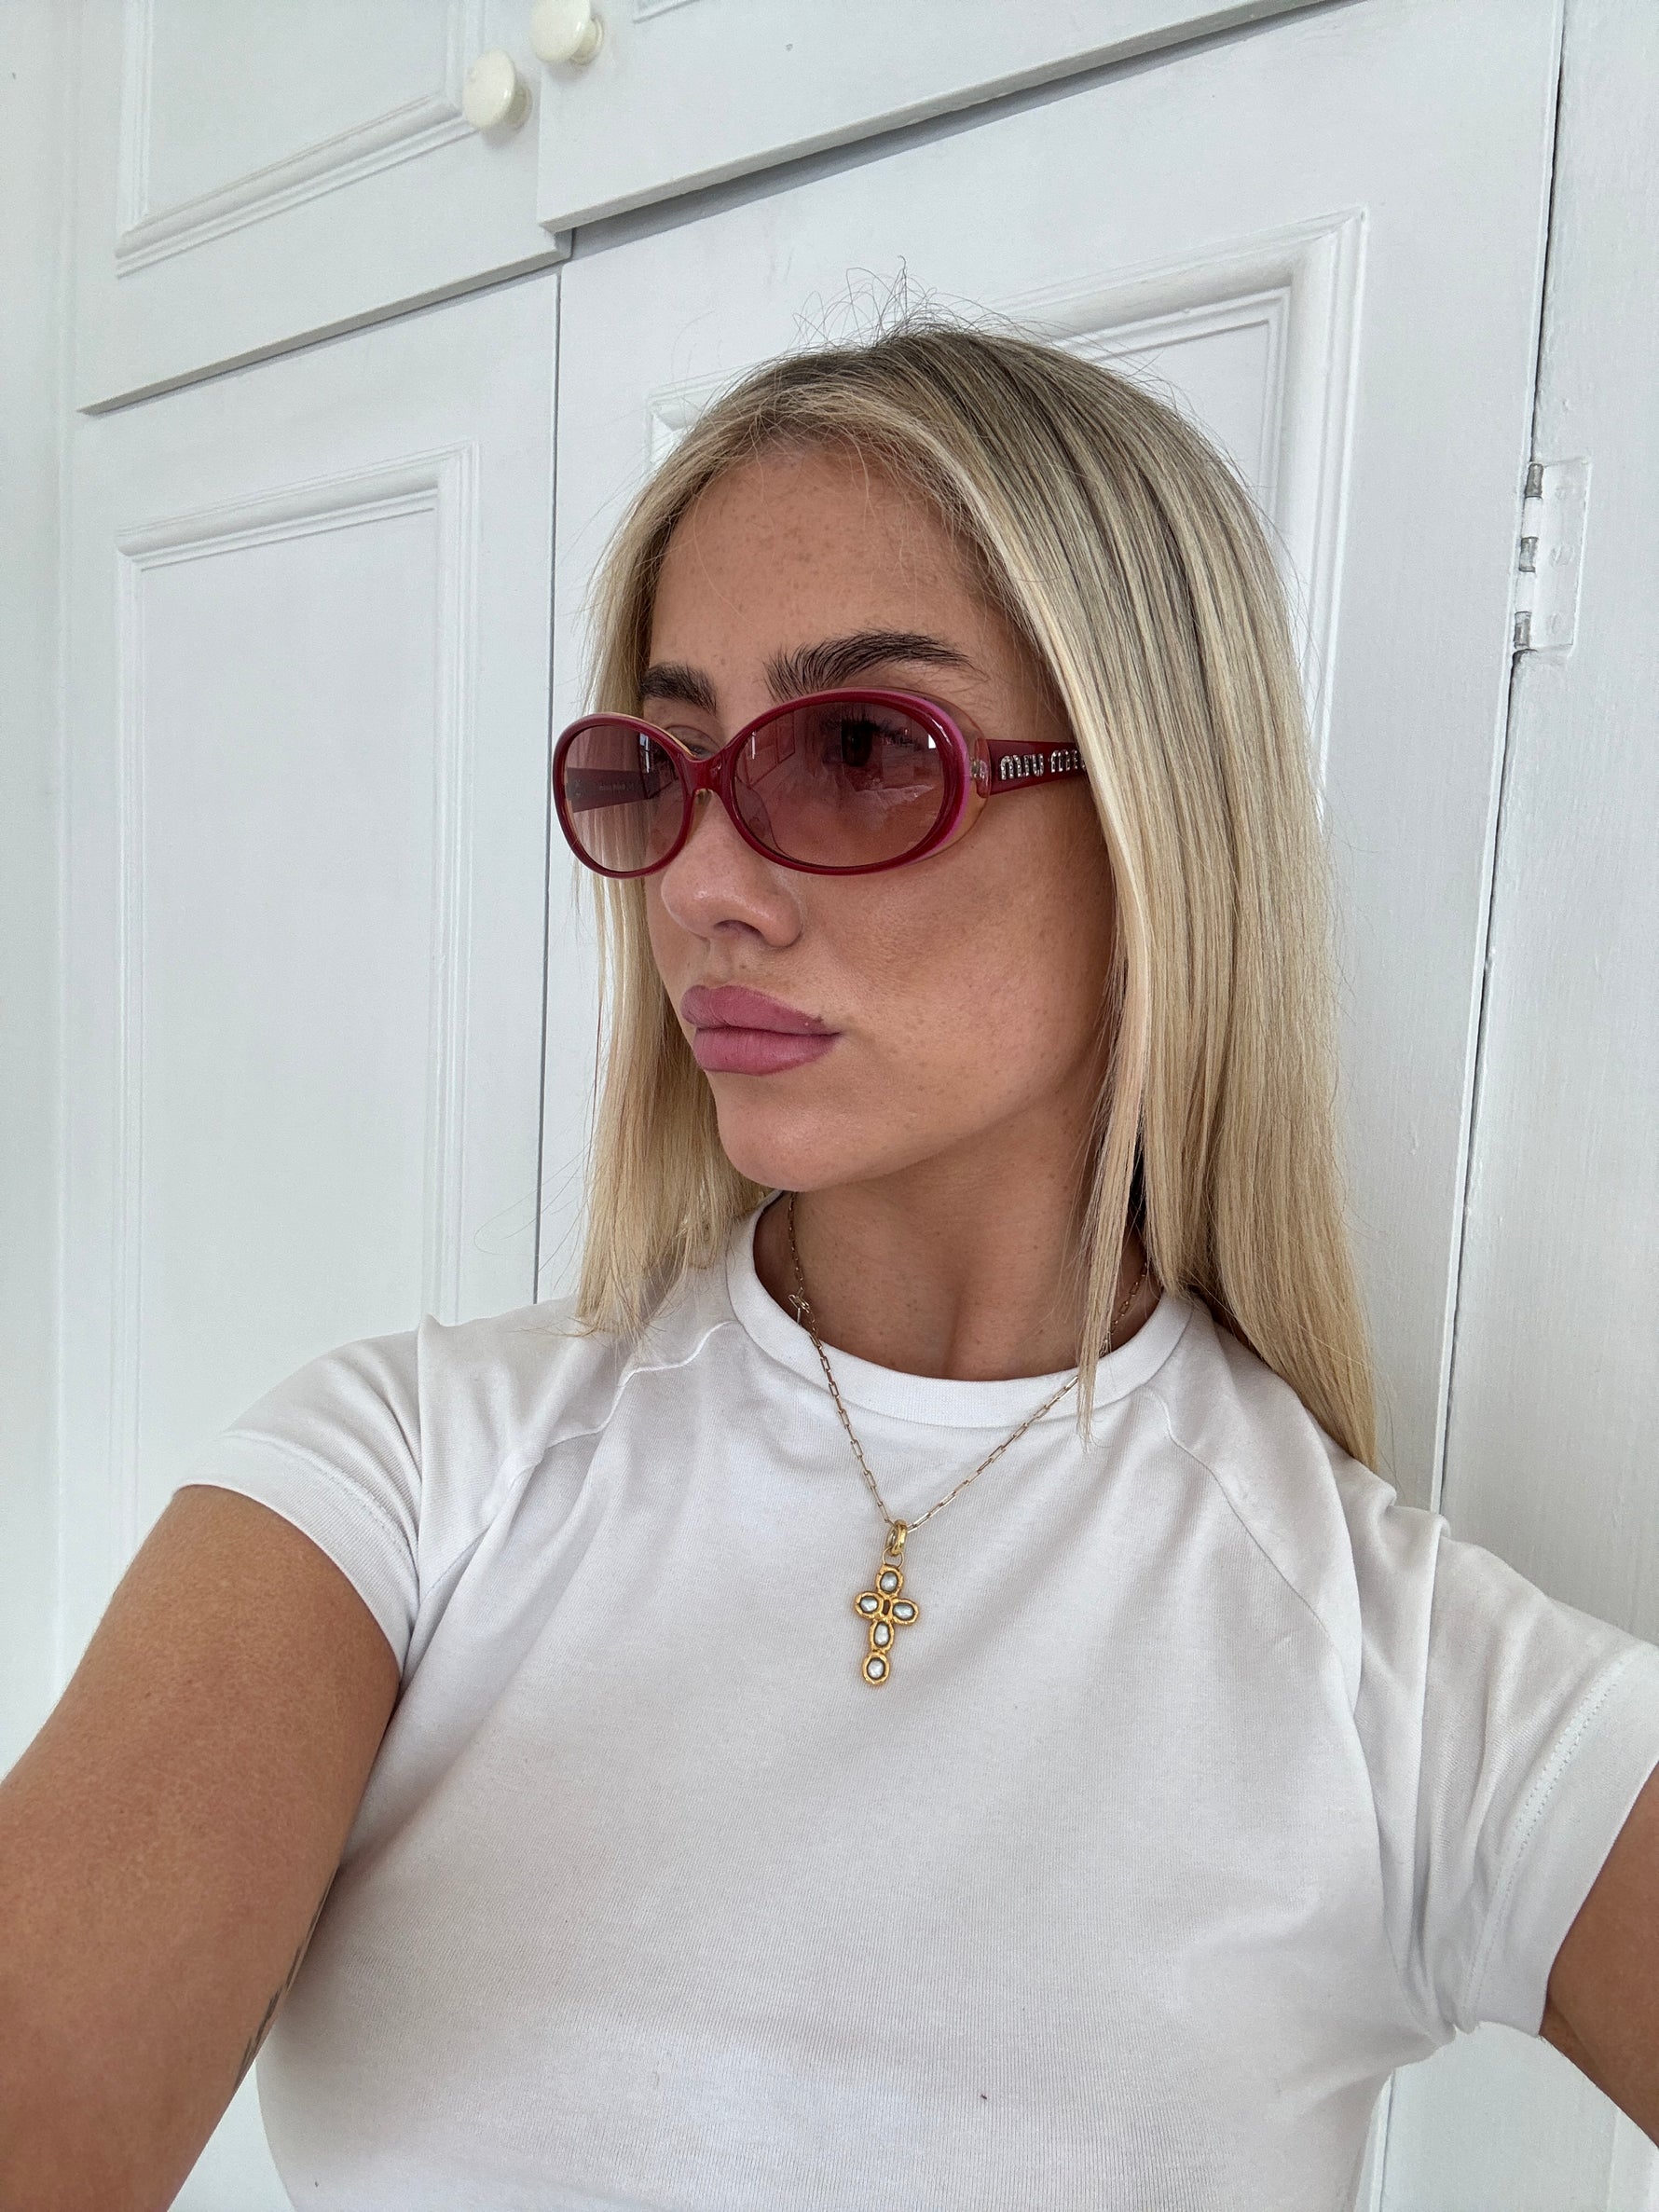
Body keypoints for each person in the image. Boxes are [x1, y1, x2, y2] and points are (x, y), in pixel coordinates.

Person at [16, 315, 1659, 2209]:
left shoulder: (1410, 1681)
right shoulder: (396, 1485)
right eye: (663, 763)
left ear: (1154, 809)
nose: (703, 884)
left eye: (861, 750)